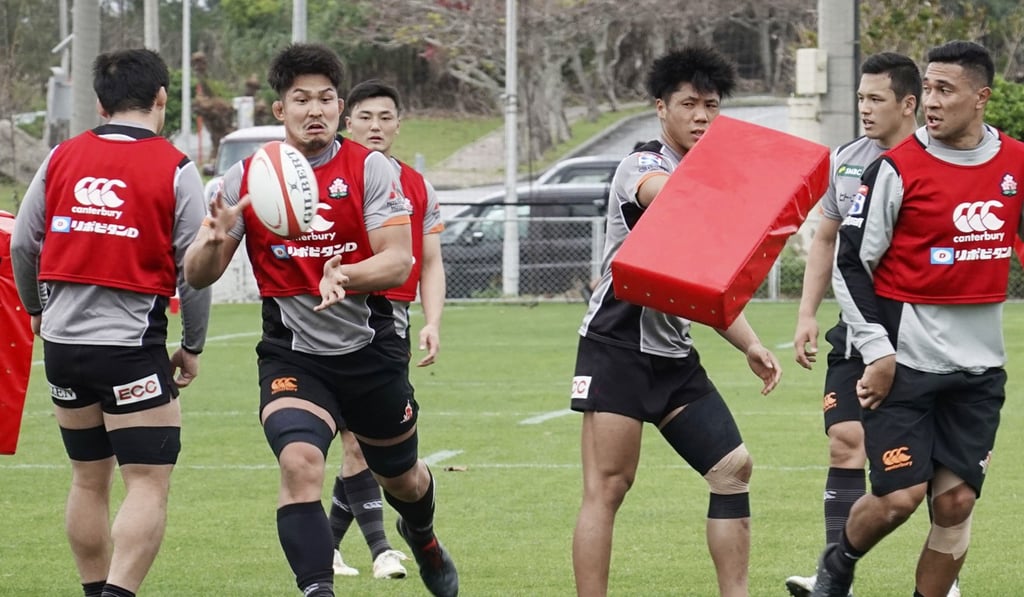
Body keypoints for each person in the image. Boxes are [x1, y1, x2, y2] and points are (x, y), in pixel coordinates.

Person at [183, 43, 458, 597]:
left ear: (338, 108)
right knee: (301, 463)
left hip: (372, 351)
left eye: (326, 99)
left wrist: (347, 275)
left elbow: (399, 258)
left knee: (401, 477)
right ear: (279, 109)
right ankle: (317, 589)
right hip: (293, 354)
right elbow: (196, 274)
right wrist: (212, 241)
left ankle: (423, 537)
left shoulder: (372, 168)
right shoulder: (246, 178)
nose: (316, 109)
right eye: (301, 99)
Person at [812, 40, 1024, 597]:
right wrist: (878, 351)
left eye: (944, 90)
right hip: (906, 365)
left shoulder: (1016, 164)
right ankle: (838, 564)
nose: (930, 101)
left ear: (981, 98)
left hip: (979, 372)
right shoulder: (895, 168)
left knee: (955, 502)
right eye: (927, 88)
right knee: (900, 500)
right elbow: (852, 263)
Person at [569, 45, 782, 597]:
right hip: (616, 347)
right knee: (609, 488)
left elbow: (707, 287)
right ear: (661, 108)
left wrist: (751, 344)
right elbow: (667, 197)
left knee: (732, 468)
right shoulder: (644, 164)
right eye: (689, 104)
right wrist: (741, 190)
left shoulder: (707, 177)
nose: (702, 117)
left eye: (711, 105)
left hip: (673, 356)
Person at [10, 48, 211, 597]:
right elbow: (195, 270)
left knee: (87, 478)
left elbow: (24, 245)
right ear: (162, 98)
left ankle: (93, 589)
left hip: (64, 348)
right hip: (130, 349)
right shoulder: (175, 167)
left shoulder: (61, 157)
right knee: (146, 481)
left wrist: (36, 310)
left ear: (100, 102)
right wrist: (192, 343)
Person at [786, 52, 934, 597]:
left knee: (933, 467)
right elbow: (826, 238)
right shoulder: (846, 160)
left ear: (909, 103)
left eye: (876, 99)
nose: (864, 109)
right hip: (855, 332)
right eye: (860, 99)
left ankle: (948, 576)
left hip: (921, 335)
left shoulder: (936, 160)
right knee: (844, 439)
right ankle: (833, 578)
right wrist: (807, 313)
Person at [325, 78, 446, 580]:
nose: (376, 126)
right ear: (347, 120)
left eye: (386, 118)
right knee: (356, 444)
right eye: (366, 117)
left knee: (371, 449)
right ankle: (380, 551)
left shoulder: (417, 184)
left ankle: (332, 547)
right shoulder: (321, 175)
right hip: (328, 319)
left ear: (399, 124)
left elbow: (432, 261)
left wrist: (433, 321)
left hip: (389, 326)